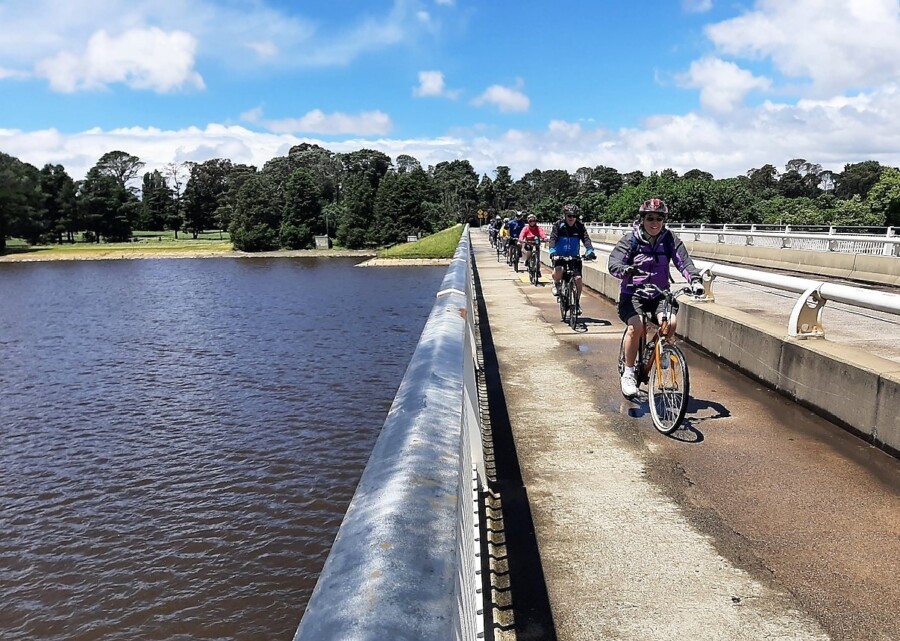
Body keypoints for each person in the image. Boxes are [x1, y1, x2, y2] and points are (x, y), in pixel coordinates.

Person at [607, 198, 705, 397]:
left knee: (671, 323)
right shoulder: (630, 239)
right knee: (636, 327)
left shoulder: (669, 239)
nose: (655, 222)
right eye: (650, 218)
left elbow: (684, 262)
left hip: (659, 294)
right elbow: (614, 264)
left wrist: (695, 280)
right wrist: (626, 270)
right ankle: (628, 373)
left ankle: (661, 349)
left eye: (659, 218)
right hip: (633, 294)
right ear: (642, 219)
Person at [548, 204, 596, 312]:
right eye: (569, 216)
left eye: (574, 216)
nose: (572, 218)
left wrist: (590, 251)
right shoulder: (558, 225)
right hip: (559, 256)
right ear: (565, 216)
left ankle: (577, 303)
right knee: (558, 270)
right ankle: (557, 284)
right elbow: (553, 239)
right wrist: (552, 251)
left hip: (574, 257)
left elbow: (586, 239)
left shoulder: (579, 226)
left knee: (578, 279)